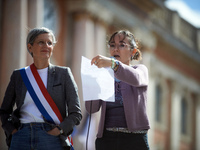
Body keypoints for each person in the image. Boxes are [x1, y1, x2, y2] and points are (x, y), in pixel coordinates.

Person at [0, 27, 82, 150]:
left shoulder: (64, 74)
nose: (46, 46)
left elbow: (76, 113)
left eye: (49, 43)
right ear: (30, 47)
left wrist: (59, 130)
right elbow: (4, 110)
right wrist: (13, 131)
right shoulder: (19, 75)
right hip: (21, 134)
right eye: (41, 42)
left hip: (51, 135)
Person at [85, 30, 150, 150]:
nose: (115, 49)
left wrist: (113, 64)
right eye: (112, 45)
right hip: (107, 139)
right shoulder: (104, 74)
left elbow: (136, 78)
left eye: (121, 45)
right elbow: (91, 109)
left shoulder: (141, 70)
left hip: (135, 139)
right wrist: (92, 85)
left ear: (133, 51)